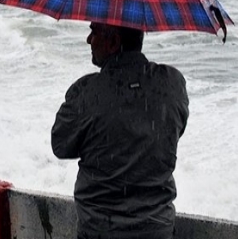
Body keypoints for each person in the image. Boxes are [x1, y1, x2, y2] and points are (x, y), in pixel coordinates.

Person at [51, 22, 189, 239]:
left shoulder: (87, 92)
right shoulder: (171, 83)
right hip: (156, 230)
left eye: (94, 32)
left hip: (100, 231)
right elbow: (173, 131)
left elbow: (60, 145)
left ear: (113, 42)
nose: (89, 40)